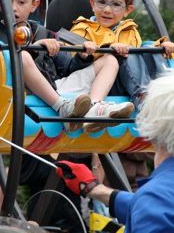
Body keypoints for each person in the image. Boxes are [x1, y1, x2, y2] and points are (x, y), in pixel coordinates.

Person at [0, 0, 134, 133]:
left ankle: (94, 107)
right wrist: (35, 49)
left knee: (109, 60)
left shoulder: (44, 33)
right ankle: (61, 107)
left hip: (57, 87)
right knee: (21, 57)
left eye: (21, 2)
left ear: (34, 5)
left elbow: (67, 68)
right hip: (17, 92)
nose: (14, 8)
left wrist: (82, 57)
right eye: (8, 1)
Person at [56, 72, 174, 232]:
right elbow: (144, 206)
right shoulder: (155, 199)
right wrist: (94, 188)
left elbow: (152, 206)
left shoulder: (154, 198)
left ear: (154, 130)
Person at [70, 0, 174, 110]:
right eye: (102, 2)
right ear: (92, 4)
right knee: (126, 54)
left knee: (148, 46)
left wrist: (161, 49)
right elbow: (70, 63)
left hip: (129, 82)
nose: (107, 10)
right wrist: (111, 49)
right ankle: (142, 97)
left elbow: (140, 62)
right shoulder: (82, 28)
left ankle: (166, 91)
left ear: (128, 10)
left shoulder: (129, 30)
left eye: (116, 4)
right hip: (99, 84)